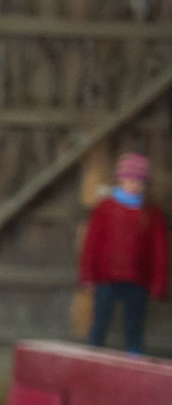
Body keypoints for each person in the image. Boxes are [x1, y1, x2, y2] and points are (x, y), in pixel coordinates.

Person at [79, 151, 167, 354]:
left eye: (138, 181)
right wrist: (88, 275)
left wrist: (158, 284)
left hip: (137, 280)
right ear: (120, 179)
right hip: (106, 278)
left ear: (144, 183)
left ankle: (134, 365)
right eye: (129, 179)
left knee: (134, 326)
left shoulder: (152, 215)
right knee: (100, 323)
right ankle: (93, 361)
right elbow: (92, 244)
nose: (133, 185)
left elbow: (159, 252)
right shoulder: (105, 209)